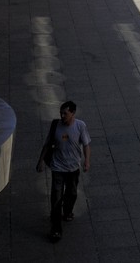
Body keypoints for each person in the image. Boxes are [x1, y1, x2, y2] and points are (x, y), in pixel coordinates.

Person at [35, 100, 91, 242]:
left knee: (72, 193)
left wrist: (86, 161)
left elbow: (86, 145)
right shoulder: (56, 126)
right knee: (56, 198)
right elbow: (47, 144)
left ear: (73, 113)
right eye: (61, 113)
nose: (62, 116)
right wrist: (40, 161)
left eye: (65, 113)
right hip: (58, 168)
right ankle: (56, 229)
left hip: (73, 168)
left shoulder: (80, 126)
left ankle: (67, 212)